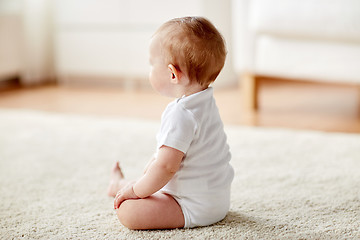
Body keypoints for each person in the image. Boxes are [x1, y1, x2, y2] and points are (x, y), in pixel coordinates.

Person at [107, 16, 234, 230]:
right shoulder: (205, 102)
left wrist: (136, 191)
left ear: (173, 74)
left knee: (128, 210)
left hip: (190, 205)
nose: (149, 68)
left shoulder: (181, 113)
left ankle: (122, 186)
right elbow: (167, 159)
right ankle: (119, 185)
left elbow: (166, 167)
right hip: (218, 203)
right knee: (149, 176)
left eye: (151, 63)